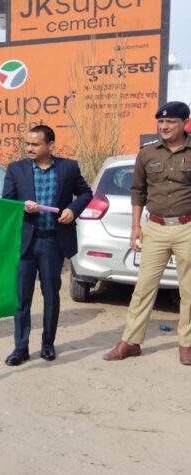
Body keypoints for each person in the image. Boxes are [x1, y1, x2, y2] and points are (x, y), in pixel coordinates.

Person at [104, 101, 191, 365]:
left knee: (189, 290)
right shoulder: (147, 153)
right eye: (161, 121)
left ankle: (187, 344)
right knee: (143, 288)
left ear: (184, 123)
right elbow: (137, 191)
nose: (164, 126)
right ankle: (131, 341)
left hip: (188, 228)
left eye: (171, 121)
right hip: (155, 228)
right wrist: (135, 227)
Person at [2, 125, 92, 366]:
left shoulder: (68, 168)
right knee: (22, 298)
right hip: (25, 243)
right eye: (27, 144)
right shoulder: (16, 169)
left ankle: (48, 344)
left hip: (53, 241)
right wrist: (22, 207)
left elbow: (86, 193)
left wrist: (73, 210)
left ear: (50, 145)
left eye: (35, 144)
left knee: (51, 294)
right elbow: (6, 203)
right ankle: (20, 348)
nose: (29, 148)